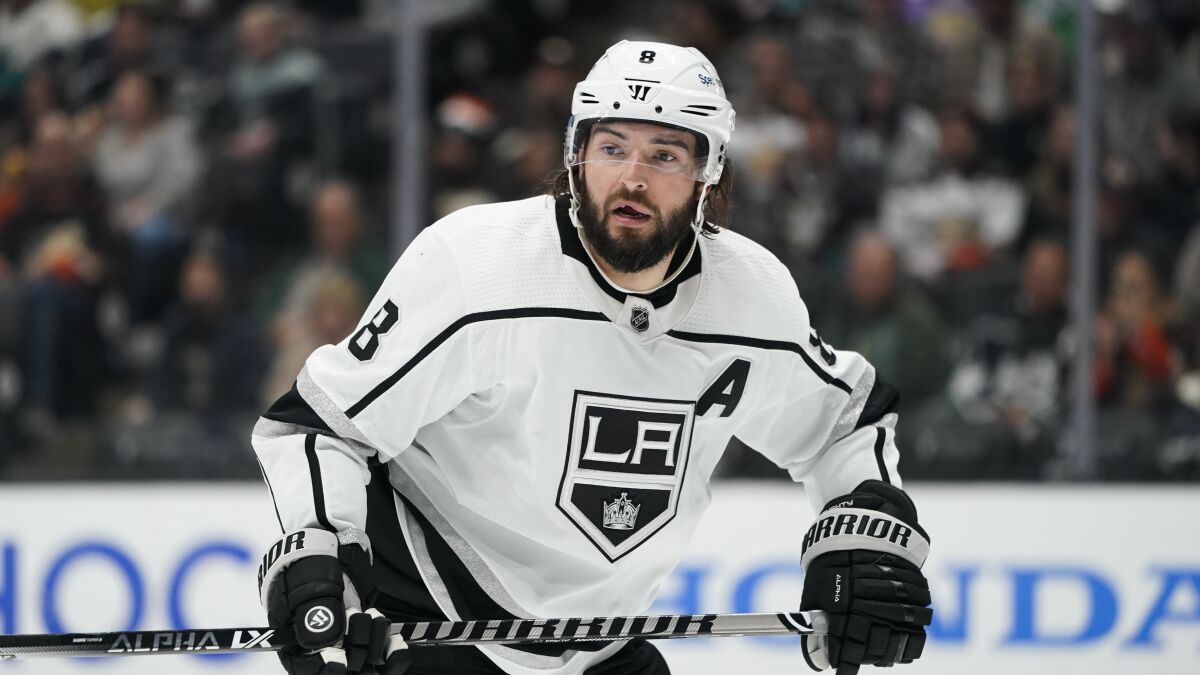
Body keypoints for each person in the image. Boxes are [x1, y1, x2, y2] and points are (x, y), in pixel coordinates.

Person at [252, 41, 932, 675]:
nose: (632, 178)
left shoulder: (751, 296)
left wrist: (864, 530)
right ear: (577, 155)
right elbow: (321, 425)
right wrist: (320, 549)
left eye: (665, 155)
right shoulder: (476, 265)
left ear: (708, 173)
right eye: (612, 147)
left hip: (601, 644)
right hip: (429, 618)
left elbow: (845, 422)